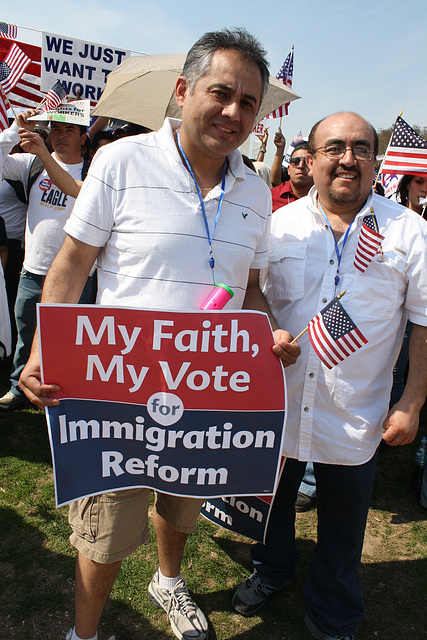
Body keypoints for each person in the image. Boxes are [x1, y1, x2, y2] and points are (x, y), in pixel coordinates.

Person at [19, 28, 299, 640]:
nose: (233, 112)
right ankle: (84, 633)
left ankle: (168, 582)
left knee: (182, 505)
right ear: (183, 90)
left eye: (248, 102)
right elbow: (70, 267)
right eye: (220, 93)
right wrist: (42, 349)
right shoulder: (120, 162)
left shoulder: (254, 189)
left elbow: (248, 288)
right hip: (116, 389)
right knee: (107, 531)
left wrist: (266, 333)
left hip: (206, 389)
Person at [232, 112, 427, 640]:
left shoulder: (409, 231)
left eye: (361, 148)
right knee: (271, 507)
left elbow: (424, 323)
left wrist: (411, 400)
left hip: (355, 411)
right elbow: (253, 295)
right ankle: (270, 570)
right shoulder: (278, 225)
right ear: (311, 159)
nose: (348, 158)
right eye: (335, 147)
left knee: (343, 526)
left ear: (376, 159)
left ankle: (333, 610)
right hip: (281, 399)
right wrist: (268, 330)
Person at [0, 114, 95, 410]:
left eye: (70, 130)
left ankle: (62, 391)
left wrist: (41, 150)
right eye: (56, 130)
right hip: (34, 270)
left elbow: (74, 187)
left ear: (83, 137)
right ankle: (19, 386)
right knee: (26, 330)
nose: (61, 135)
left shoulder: (94, 171)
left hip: (78, 276)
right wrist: (16, 130)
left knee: (71, 340)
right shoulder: (32, 165)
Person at [270, 135, 313, 211]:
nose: (300, 166)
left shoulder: (324, 200)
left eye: (306, 162)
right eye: (295, 161)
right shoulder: (270, 197)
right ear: (288, 169)